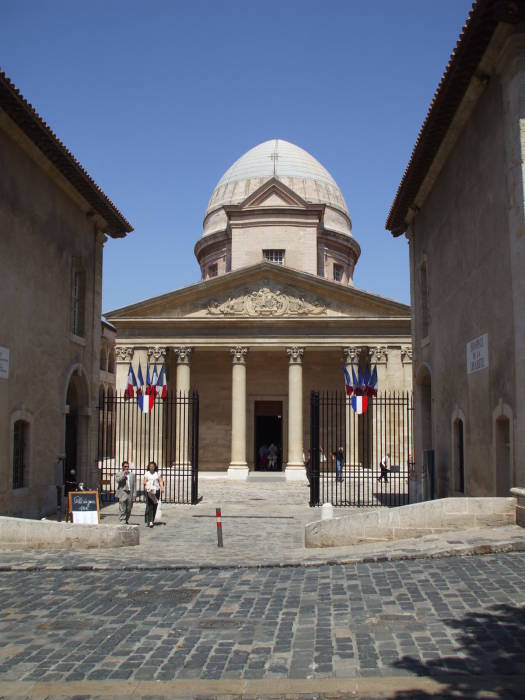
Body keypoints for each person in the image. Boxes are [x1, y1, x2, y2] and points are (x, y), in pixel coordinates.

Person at [143, 461, 164, 528]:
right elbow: (144, 481)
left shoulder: (157, 473)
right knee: (149, 505)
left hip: (156, 491)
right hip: (149, 491)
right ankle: (150, 521)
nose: (151, 467)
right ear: (149, 467)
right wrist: (147, 485)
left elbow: (160, 481)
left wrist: (162, 488)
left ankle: (151, 520)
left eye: (153, 466)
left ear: (155, 467)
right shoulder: (147, 473)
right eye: (150, 466)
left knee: (155, 505)